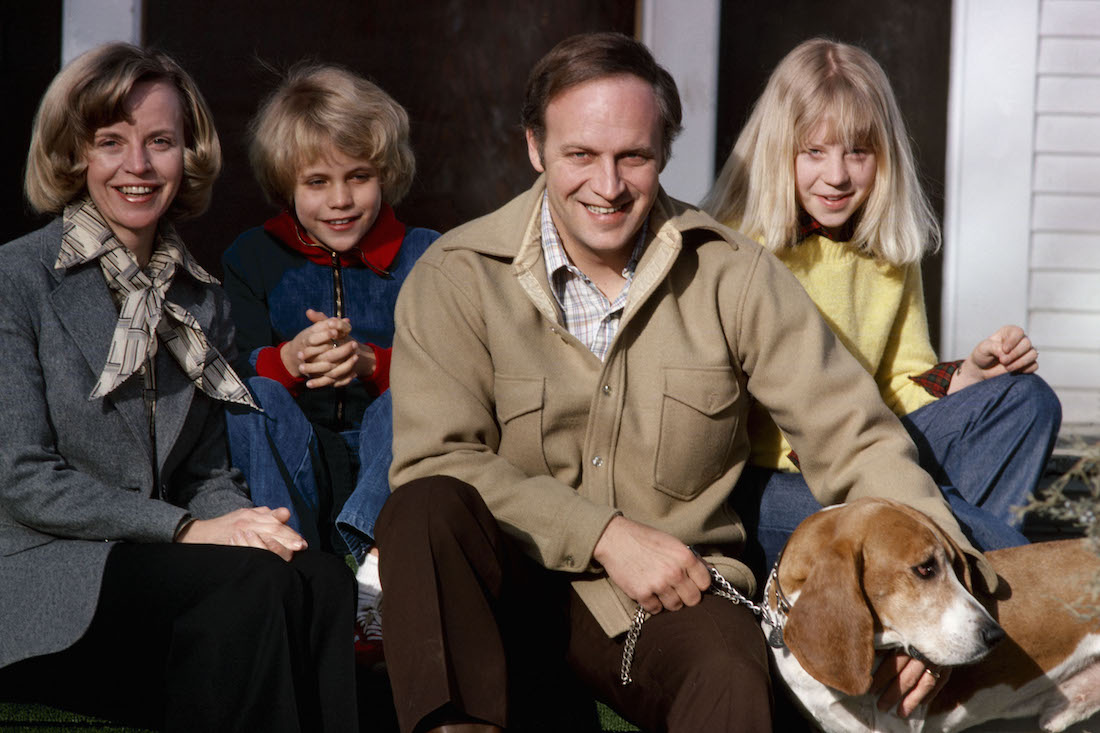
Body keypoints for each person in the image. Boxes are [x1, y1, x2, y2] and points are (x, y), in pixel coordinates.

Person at [376, 32, 997, 733]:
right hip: (502, 587)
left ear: (664, 152)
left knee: (730, 674)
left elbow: (855, 436)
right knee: (425, 508)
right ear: (535, 148)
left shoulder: (735, 274)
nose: (608, 185)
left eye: (633, 157)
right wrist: (604, 535)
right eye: (580, 155)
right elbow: (435, 459)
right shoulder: (457, 275)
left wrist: (949, 595)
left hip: (673, 599)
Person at [0, 43, 357, 732]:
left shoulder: (200, 299)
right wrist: (189, 529)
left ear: (186, 155)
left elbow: (204, 472)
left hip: (156, 572)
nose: (138, 165)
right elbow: (22, 478)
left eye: (160, 142)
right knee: (250, 586)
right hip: (44, 582)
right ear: (74, 155)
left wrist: (250, 526)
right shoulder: (16, 280)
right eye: (111, 142)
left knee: (318, 579)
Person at [701, 38, 1061, 568]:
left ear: (884, 156)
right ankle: (1014, 580)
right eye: (814, 151)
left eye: (858, 152)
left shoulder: (886, 250)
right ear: (779, 151)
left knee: (1027, 400)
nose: (837, 174)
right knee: (930, 513)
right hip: (772, 484)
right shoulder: (735, 249)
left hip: (871, 450)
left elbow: (896, 385)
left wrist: (969, 377)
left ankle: (939, 586)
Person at [220, 64, 438, 657]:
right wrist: (289, 360)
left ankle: (376, 573)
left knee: (412, 394)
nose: (340, 200)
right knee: (256, 395)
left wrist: (374, 365)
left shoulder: (429, 255)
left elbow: (458, 375)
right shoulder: (252, 257)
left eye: (358, 176)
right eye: (317, 181)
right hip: (299, 462)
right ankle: (289, 567)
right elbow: (226, 373)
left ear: (385, 173)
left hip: (388, 463)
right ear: (286, 183)